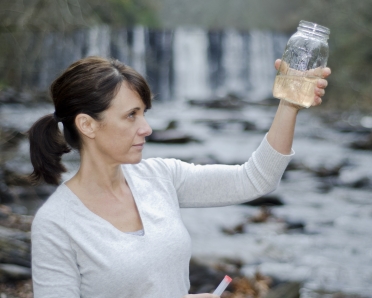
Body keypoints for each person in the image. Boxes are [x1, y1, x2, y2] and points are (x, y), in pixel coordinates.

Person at [29, 56, 330, 298]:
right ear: (87, 125)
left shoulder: (161, 176)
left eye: (144, 112)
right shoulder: (55, 225)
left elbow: (254, 179)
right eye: (131, 115)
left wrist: (288, 106)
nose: (146, 128)